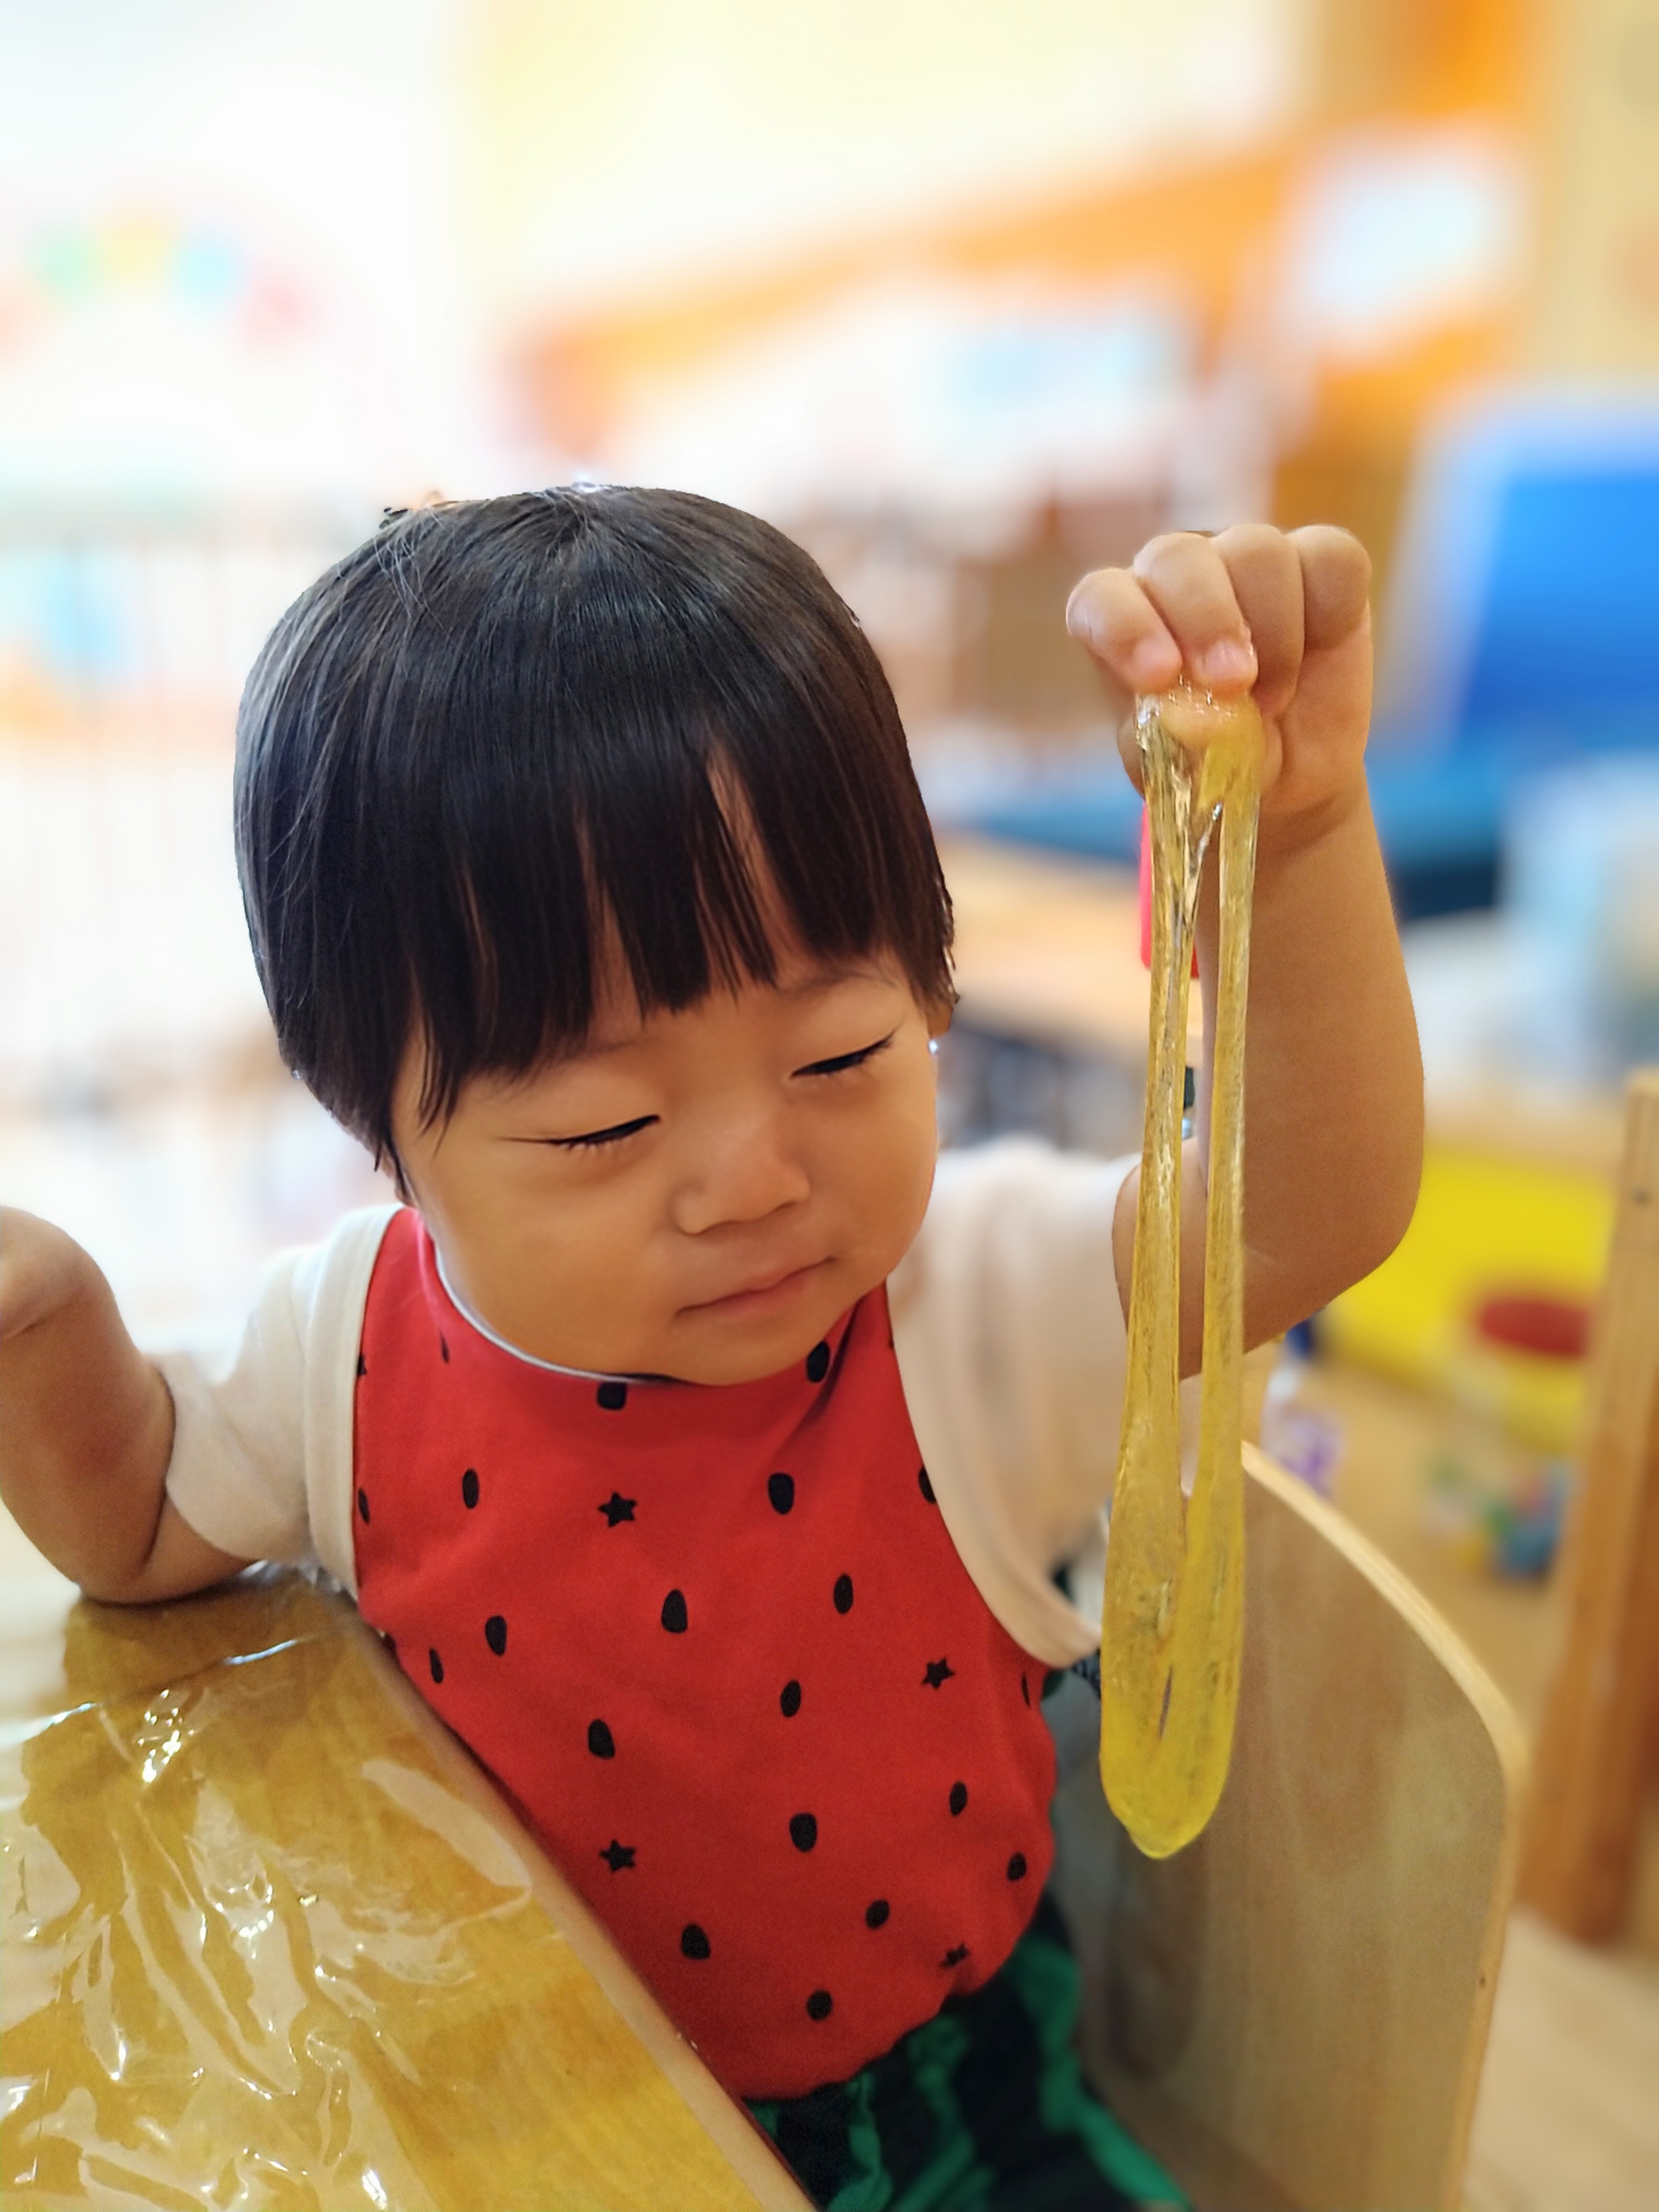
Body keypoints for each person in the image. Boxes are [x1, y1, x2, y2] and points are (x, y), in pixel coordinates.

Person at [0, 489, 1421, 2210]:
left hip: (940, 2120)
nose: (754, 1182)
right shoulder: (347, 1351)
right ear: (378, 1129)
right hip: (534, 2132)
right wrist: (43, 1313)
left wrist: (1302, 828)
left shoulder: (970, 1305)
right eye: (600, 1127)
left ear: (934, 989)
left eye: (838, 1057)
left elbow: (1302, 1214)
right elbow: (140, 1519)